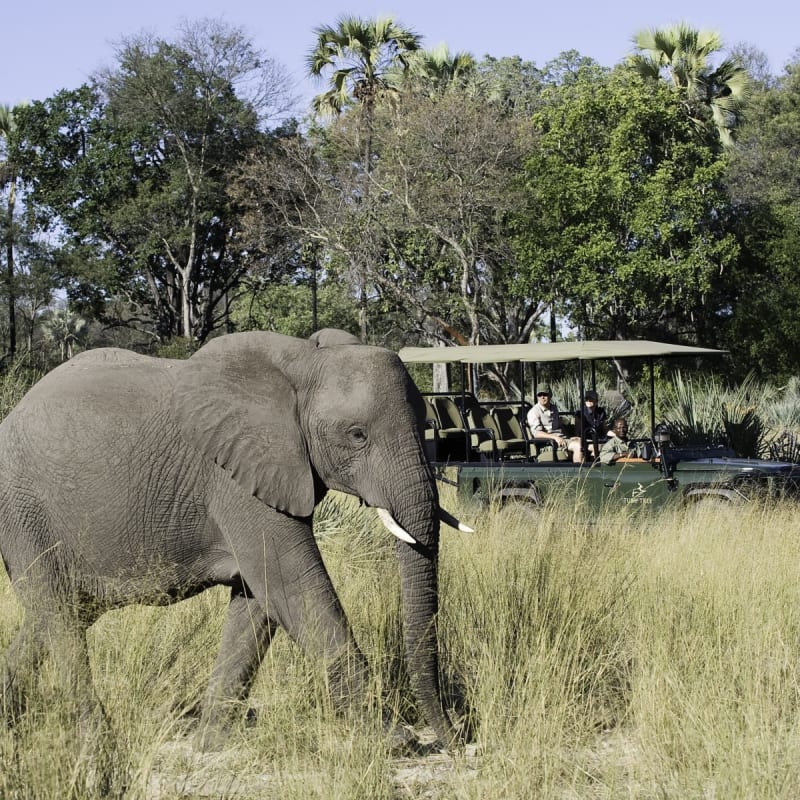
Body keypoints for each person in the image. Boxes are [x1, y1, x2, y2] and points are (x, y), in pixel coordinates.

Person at [568, 389, 608, 463]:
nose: (589, 401)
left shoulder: (600, 412)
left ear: (596, 401)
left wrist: (613, 435)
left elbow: (604, 428)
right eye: (587, 399)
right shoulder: (580, 413)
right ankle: (579, 469)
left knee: (598, 448)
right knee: (582, 447)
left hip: (597, 439)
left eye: (591, 399)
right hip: (584, 439)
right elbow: (578, 431)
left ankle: (594, 469)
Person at [526, 386, 568, 452]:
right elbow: (537, 433)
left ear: (550, 395)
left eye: (545, 394)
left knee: (586, 445)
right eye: (540, 395)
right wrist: (555, 438)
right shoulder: (534, 411)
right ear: (537, 397)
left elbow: (560, 426)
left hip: (561, 438)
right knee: (578, 446)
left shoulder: (554, 408)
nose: (542, 397)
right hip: (549, 443)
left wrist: (570, 437)